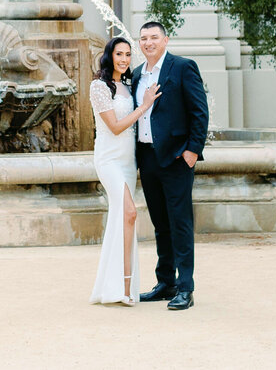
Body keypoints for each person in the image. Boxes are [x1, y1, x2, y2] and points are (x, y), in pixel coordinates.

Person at [131, 21, 209, 311]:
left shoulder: (182, 67)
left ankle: (185, 288)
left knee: (180, 223)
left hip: (177, 158)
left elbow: (199, 112)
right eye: (143, 38)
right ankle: (166, 283)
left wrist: (192, 152)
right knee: (160, 224)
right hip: (148, 158)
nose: (148, 43)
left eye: (153, 37)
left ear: (165, 40)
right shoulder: (137, 74)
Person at [89, 36, 159, 305]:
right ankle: (124, 287)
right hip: (108, 159)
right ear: (110, 56)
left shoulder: (129, 86)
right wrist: (145, 106)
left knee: (125, 218)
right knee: (129, 212)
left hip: (128, 160)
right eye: (119, 54)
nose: (124, 59)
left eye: (128, 54)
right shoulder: (99, 86)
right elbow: (116, 127)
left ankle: (122, 287)